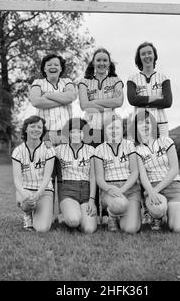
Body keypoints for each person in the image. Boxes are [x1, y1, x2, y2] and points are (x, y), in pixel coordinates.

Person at [78, 48, 124, 223]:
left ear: (109, 63)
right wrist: (106, 103)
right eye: (98, 60)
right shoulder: (84, 82)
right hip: (90, 128)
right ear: (93, 62)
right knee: (92, 169)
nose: (102, 63)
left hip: (110, 128)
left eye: (105, 60)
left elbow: (119, 102)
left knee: (108, 168)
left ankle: (107, 213)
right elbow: (83, 105)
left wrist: (94, 102)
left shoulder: (116, 80)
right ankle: (93, 210)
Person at [29, 53, 77, 222]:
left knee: (64, 173)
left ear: (61, 67)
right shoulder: (38, 83)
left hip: (65, 134)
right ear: (44, 68)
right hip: (46, 134)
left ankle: (63, 213)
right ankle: (45, 212)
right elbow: (35, 101)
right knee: (46, 175)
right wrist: (61, 99)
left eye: (56, 64)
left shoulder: (67, 81)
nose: (53, 66)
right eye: (49, 64)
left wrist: (47, 96)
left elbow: (71, 97)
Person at [133, 111, 180, 232]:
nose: (145, 125)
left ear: (153, 124)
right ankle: (157, 215)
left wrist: (154, 191)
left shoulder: (166, 141)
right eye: (141, 123)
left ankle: (167, 214)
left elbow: (174, 170)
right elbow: (143, 176)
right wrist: (151, 192)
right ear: (136, 127)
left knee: (179, 228)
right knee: (158, 209)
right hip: (152, 187)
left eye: (148, 122)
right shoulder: (137, 149)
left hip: (173, 187)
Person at [94, 114, 141, 233]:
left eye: (117, 128)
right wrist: (110, 189)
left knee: (130, 229)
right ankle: (112, 215)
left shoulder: (129, 145)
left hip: (130, 189)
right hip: (110, 190)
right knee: (119, 204)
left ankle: (123, 214)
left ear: (122, 129)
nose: (114, 131)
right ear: (105, 130)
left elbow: (135, 172)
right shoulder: (99, 149)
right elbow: (99, 178)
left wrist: (123, 190)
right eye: (110, 128)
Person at [11, 115, 55, 232]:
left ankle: (39, 213)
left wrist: (38, 193)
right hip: (26, 189)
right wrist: (24, 194)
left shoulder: (49, 149)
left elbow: (47, 177)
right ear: (26, 129)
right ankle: (27, 214)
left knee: (42, 229)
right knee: (27, 203)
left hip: (44, 190)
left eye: (39, 127)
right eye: (33, 126)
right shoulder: (18, 151)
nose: (36, 129)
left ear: (43, 130)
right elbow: (17, 180)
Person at [55, 118, 97, 233]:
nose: (76, 134)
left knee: (89, 229)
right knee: (74, 221)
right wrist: (47, 144)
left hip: (86, 192)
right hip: (68, 191)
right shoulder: (59, 150)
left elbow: (93, 177)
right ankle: (69, 215)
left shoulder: (91, 150)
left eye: (80, 131)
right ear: (68, 133)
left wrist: (92, 200)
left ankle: (77, 214)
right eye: (73, 131)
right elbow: (45, 153)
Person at [127, 42, 172, 137]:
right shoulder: (132, 79)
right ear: (139, 58)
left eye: (149, 53)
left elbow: (167, 102)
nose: (147, 56)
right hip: (139, 125)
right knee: (138, 152)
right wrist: (155, 98)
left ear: (154, 55)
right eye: (143, 54)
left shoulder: (163, 78)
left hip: (161, 123)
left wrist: (142, 101)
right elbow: (132, 100)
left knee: (162, 152)